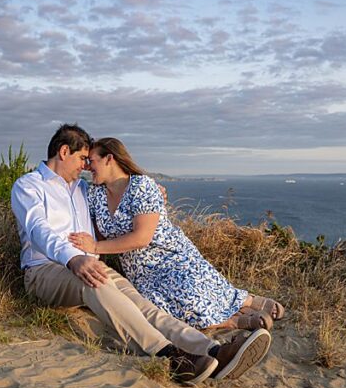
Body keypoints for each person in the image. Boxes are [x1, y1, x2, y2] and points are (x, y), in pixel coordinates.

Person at [11, 124, 272, 385]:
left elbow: (121, 190)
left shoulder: (83, 189)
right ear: (64, 151)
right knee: (96, 284)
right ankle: (170, 357)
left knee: (141, 304)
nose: (86, 166)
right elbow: (37, 229)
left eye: (89, 161)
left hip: (87, 265)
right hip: (44, 271)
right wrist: (73, 258)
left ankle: (212, 350)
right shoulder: (29, 186)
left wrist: (154, 192)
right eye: (82, 159)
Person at [66, 137, 286, 331]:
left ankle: (247, 301)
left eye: (91, 160)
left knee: (193, 291)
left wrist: (94, 248)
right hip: (139, 271)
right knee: (159, 312)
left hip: (168, 254)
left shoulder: (142, 186)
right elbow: (97, 227)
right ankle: (232, 322)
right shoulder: (95, 193)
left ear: (109, 158)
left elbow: (142, 238)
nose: (86, 166)